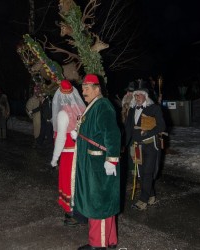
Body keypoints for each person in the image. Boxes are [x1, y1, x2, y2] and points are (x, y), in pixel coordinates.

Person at [71, 74, 121, 250]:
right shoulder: (94, 105)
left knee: (98, 204)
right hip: (94, 163)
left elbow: (112, 135)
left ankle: (97, 245)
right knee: (104, 203)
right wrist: (79, 133)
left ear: (97, 89)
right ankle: (110, 241)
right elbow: (94, 131)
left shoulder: (103, 106)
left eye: (87, 88)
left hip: (99, 164)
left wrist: (111, 160)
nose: (83, 91)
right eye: (82, 88)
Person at [124, 82, 166, 210]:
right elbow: (128, 129)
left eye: (140, 95)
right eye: (136, 95)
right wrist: (123, 145)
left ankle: (143, 200)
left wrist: (148, 131)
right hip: (136, 146)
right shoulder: (132, 110)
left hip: (150, 146)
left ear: (146, 96)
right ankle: (151, 195)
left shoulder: (154, 109)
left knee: (148, 172)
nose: (137, 97)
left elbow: (162, 126)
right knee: (141, 174)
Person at [50, 79, 86, 225]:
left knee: (69, 183)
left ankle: (73, 214)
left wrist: (54, 158)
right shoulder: (82, 109)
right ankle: (82, 211)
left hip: (68, 154)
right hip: (81, 154)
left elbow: (60, 139)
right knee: (79, 182)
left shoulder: (63, 114)